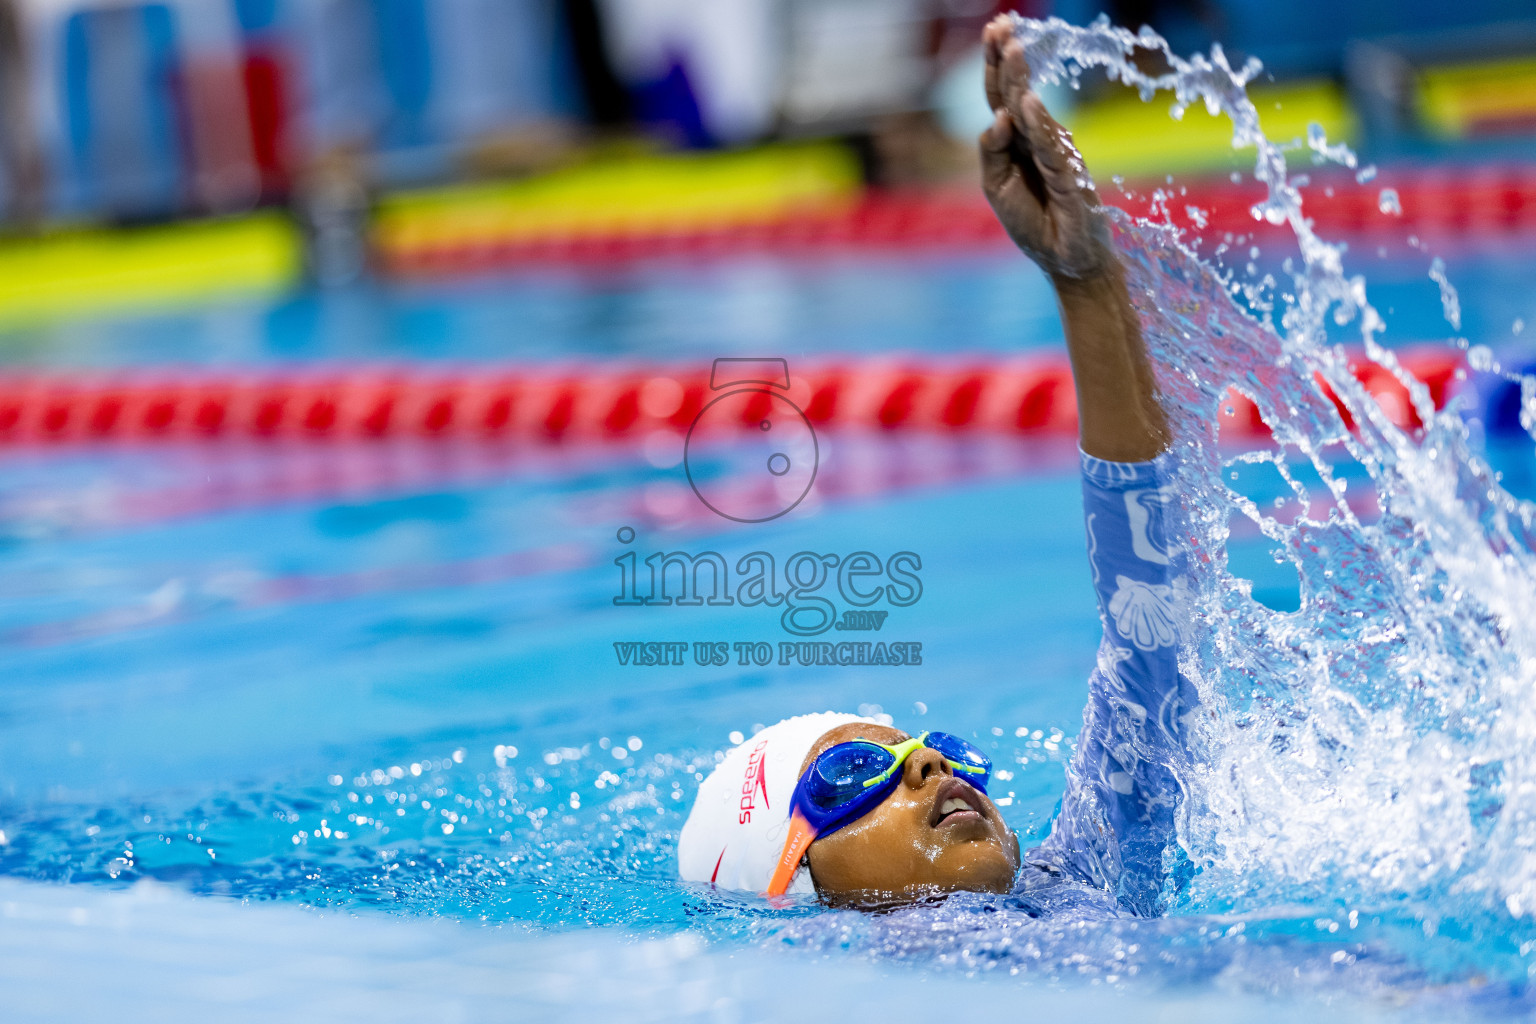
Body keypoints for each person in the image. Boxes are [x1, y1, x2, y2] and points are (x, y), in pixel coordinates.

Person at [678, 15, 1197, 915]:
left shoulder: (1083, 881)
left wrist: (1086, 283)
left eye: (938, 749)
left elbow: (1148, 621)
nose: (927, 761)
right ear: (786, 882)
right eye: (851, 774)